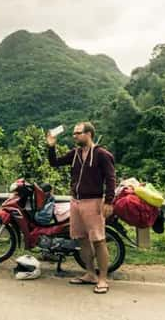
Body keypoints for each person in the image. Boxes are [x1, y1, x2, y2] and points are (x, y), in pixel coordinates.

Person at [46, 122, 115, 294]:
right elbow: (54, 162)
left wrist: (108, 201)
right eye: (74, 133)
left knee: (98, 241)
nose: (74, 136)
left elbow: (111, 178)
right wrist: (51, 146)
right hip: (76, 201)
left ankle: (103, 279)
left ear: (89, 134)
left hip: (93, 202)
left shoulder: (101, 154)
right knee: (82, 239)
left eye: (78, 133)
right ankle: (90, 274)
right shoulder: (75, 153)